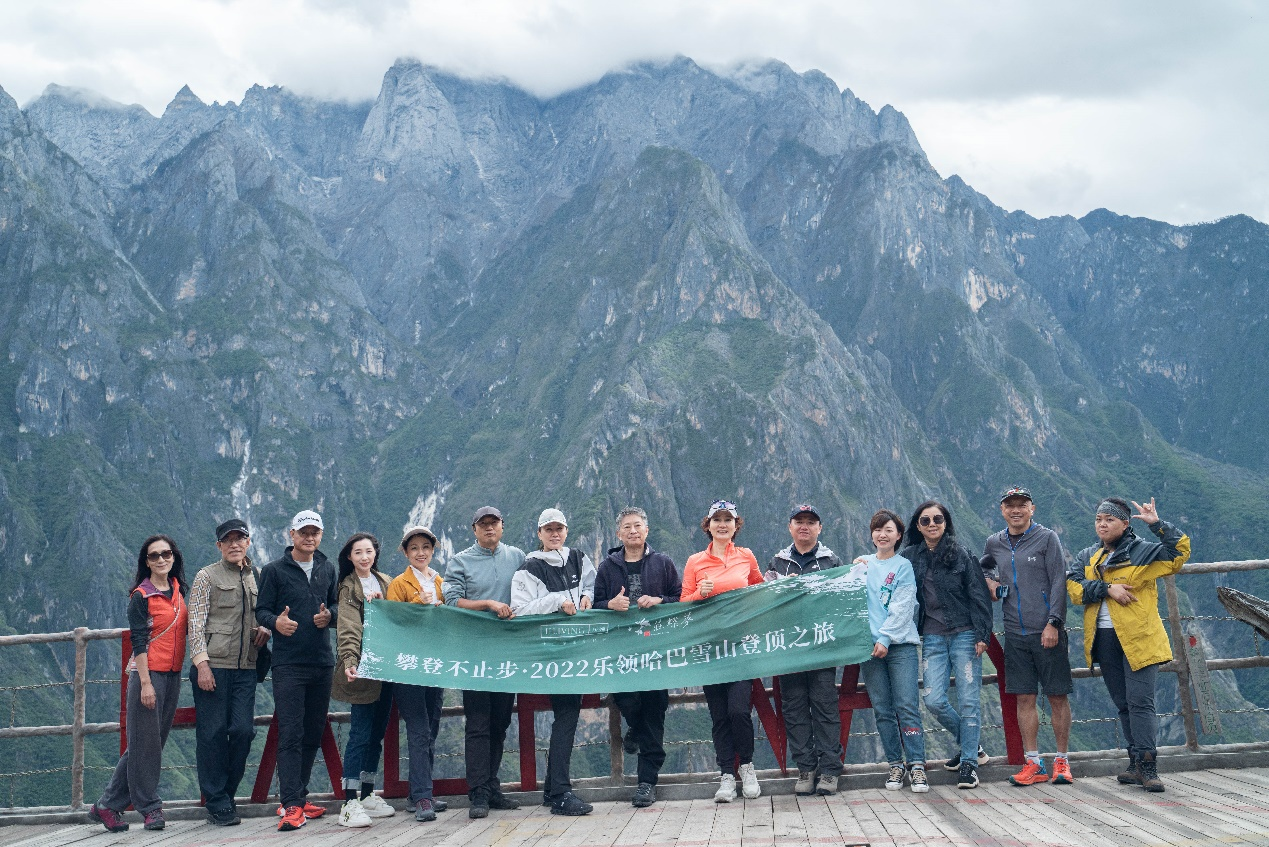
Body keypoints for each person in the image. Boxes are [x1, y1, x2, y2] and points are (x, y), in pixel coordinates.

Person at [1068, 497, 1191, 792]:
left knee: (1140, 702)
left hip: (1140, 638)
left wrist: (1157, 524)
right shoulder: (1088, 556)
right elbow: (1073, 588)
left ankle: (1148, 766)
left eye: (1109, 519)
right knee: (1123, 703)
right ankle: (1135, 763)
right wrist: (1107, 588)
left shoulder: (1144, 552)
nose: (1102, 524)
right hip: (1104, 638)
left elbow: (1180, 553)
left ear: (1124, 524)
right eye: (1099, 519)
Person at [90, 536, 189, 833]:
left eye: (166, 554)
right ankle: (150, 808)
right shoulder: (141, 596)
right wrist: (146, 683)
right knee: (146, 746)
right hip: (149, 675)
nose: (161, 559)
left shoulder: (178, 590)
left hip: (173, 675)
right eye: (154, 555)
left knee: (148, 743)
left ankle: (107, 805)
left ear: (174, 557)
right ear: (146, 562)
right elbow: (139, 640)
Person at [982, 486, 1074, 787]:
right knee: (1024, 697)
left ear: (1032, 509)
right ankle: (1033, 762)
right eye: (1010, 505)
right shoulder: (994, 542)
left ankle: (1062, 760)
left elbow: (1059, 580)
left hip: (1046, 630)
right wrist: (990, 582)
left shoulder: (1047, 538)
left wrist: (1054, 623)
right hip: (1014, 632)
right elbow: (983, 568)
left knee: (1057, 695)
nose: (1016, 510)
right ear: (1002, 510)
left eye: (1022, 504)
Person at [256, 510, 340, 832]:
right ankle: (291, 804)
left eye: (314, 532)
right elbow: (262, 611)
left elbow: (335, 604)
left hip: (322, 661)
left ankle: (298, 798)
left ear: (321, 535)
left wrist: (329, 617)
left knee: (313, 731)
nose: (309, 537)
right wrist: (275, 623)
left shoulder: (327, 568)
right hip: (288, 664)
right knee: (290, 732)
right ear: (291, 534)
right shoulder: (274, 570)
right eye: (303, 532)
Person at [593, 506, 682, 808]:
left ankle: (647, 782)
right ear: (618, 533)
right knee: (627, 700)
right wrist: (609, 605)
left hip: (655, 649)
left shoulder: (663, 563)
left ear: (646, 530)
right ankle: (634, 726)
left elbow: (680, 597)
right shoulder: (607, 567)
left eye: (638, 526)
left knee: (654, 710)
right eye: (627, 527)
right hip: (622, 650)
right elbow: (593, 604)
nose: (633, 531)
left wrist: (659, 600)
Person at [901, 500, 992, 793]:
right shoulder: (909, 557)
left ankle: (969, 764)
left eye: (937, 519)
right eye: (925, 520)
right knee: (933, 700)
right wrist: (864, 564)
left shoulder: (961, 554)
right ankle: (972, 745)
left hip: (964, 634)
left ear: (946, 522)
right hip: (932, 637)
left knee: (968, 701)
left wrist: (983, 635)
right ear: (918, 526)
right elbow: (887, 574)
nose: (932, 524)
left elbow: (978, 594)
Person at [510, 509, 596, 816]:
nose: (554, 534)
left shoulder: (579, 558)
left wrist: (587, 596)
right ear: (539, 534)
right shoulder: (529, 568)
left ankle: (552, 790)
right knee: (566, 715)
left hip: (577, 651)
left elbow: (591, 584)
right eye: (548, 529)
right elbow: (519, 609)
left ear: (566, 530)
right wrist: (557, 602)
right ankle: (560, 793)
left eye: (559, 528)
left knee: (567, 714)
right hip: (550, 654)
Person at [442, 506, 524, 819]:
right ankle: (477, 793)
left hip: (507, 654)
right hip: (474, 654)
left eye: (494, 523)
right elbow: (452, 601)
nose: (489, 528)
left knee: (500, 722)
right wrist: (488, 604)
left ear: (502, 526)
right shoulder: (460, 561)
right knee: (477, 724)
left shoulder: (517, 557)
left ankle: (492, 788)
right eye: (483, 524)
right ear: (474, 529)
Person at [188, 518, 270, 826]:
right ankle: (218, 802)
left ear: (248, 542)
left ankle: (226, 793)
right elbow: (195, 623)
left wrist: (265, 629)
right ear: (219, 545)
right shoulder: (206, 577)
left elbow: (264, 614)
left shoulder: (257, 576)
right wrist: (202, 665)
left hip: (246, 667)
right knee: (211, 734)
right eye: (228, 540)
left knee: (242, 731)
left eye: (240, 538)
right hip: (214, 666)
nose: (235, 544)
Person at [681, 500, 764, 803]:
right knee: (719, 716)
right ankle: (726, 775)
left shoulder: (746, 556)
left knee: (739, 711)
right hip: (711, 649)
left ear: (735, 525)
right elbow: (682, 603)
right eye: (717, 519)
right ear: (708, 525)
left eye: (728, 519)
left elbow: (760, 590)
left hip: (741, 646)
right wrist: (698, 594)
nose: (722, 524)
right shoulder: (695, 561)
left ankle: (747, 767)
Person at [765, 504, 844, 796]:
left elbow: (842, 599)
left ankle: (830, 770)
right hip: (789, 648)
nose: (804, 526)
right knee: (794, 708)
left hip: (821, 647)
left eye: (811, 522)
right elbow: (766, 599)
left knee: (825, 706)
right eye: (799, 521)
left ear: (819, 528)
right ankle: (806, 769)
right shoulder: (778, 562)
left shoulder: (831, 561)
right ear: (790, 527)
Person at [857, 510, 927, 792]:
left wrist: (885, 638)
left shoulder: (903, 566)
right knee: (883, 709)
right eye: (877, 529)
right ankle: (895, 765)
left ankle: (917, 765)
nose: (882, 534)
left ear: (899, 535)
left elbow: (903, 605)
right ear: (871, 534)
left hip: (900, 646)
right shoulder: (862, 565)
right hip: (869, 648)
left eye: (889, 530)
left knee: (907, 706)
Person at [331, 532, 398, 827]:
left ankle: (368, 794)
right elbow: (349, 626)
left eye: (368, 551)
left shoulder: (386, 582)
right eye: (358, 552)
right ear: (349, 557)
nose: (364, 557)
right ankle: (349, 801)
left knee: (376, 733)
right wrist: (350, 660)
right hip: (363, 667)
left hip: (387, 668)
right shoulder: (348, 587)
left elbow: (399, 615)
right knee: (360, 733)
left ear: (375, 554)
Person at [386, 525, 449, 821]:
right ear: (405, 553)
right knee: (419, 729)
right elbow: (394, 622)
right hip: (408, 666)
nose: (420, 552)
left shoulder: (440, 582)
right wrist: (418, 605)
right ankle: (424, 797)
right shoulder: (399, 584)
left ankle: (417, 794)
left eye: (425, 547)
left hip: (434, 664)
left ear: (432, 551)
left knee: (431, 727)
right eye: (414, 548)